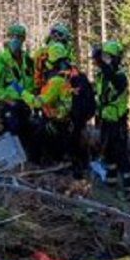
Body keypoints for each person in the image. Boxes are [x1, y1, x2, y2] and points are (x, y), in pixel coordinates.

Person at [24, 42, 91, 178]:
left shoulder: (56, 81)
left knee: (35, 133)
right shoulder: (70, 75)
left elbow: (38, 102)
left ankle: (37, 164)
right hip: (68, 123)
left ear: (52, 61)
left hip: (57, 124)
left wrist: (22, 93)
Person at [94, 40, 130, 199]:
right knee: (108, 154)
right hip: (105, 120)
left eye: (109, 57)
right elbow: (100, 95)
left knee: (121, 156)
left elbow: (113, 79)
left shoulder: (119, 76)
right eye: (105, 57)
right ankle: (111, 182)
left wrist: (100, 61)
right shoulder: (101, 76)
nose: (106, 60)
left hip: (118, 123)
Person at [0, 24, 38, 153]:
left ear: (23, 39)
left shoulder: (28, 60)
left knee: (30, 134)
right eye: (13, 36)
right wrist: (7, 100)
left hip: (25, 104)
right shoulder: (2, 60)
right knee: (13, 131)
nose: (16, 40)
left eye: (19, 37)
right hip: (9, 103)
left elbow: (32, 83)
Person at [34, 22, 73, 91]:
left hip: (43, 85)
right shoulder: (57, 47)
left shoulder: (44, 49)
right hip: (53, 84)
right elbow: (63, 70)